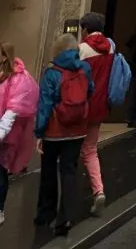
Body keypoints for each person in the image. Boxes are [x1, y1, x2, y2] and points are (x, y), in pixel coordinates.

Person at [34, 33, 94, 237]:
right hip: (77, 130)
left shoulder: (52, 72)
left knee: (49, 172)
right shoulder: (84, 68)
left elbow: (44, 104)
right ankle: (66, 217)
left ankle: (45, 213)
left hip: (54, 130)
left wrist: (39, 132)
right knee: (69, 172)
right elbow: (90, 91)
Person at [78, 12, 115, 216]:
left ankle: (65, 193)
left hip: (81, 106)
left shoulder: (82, 49)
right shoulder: (110, 47)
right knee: (91, 150)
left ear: (85, 28)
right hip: (100, 106)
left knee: (70, 149)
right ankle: (98, 190)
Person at [0, 43, 38, 227]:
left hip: (6, 136)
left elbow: (14, 109)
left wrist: (1, 132)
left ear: (4, 56)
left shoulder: (18, 79)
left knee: (0, 171)